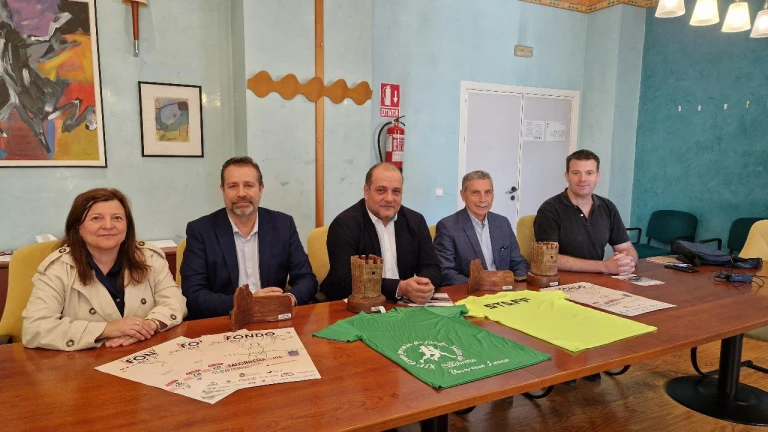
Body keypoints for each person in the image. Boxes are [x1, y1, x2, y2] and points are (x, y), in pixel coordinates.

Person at [22, 188, 186, 351]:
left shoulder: (149, 257)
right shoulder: (58, 268)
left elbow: (175, 301)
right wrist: (107, 329)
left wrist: (149, 325)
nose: (108, 225)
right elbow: (34, 329)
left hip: (144, 350)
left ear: (127, 226)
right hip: (84, 359)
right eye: (96, 218)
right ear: (78, 227)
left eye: (117, 218)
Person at [181, 157, 317, 320]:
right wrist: (248, 303)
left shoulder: (283, 224)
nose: (241, 193)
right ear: (223, 190)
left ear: (261, 188)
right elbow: (193, 294)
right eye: (233, 186)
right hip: (224, 320)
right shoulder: (201, 230)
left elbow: (306, 278)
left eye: (248, 185)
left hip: (274, 318)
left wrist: (287, 299)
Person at [320, 162, 440, 304]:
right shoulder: (344, 224)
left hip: (405, 305)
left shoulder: (416, 221)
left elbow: (432, 267)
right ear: (366, 191)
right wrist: (399, 288)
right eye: (381, 190)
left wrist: (422, 286)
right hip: (357, 307)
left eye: (396, 191)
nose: (389, 198)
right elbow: (343, 281)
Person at [534, 149, 638, 276]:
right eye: (576, 173)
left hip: (598, 279)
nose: (583, 179)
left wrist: (627, 262)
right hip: (562, 280)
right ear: (567, 176)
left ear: (597, 176)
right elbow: (548, 258)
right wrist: (604, 266)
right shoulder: (549, 209)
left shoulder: (607, 207)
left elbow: (626, 248)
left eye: (589, 173)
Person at [434, 170, 529, 286]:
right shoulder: (448, 227)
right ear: (463, 195)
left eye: (488, 192)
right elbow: (445, 272)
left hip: (505, 291)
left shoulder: (502, 223)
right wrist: (485, 284)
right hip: (471, 291)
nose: (483, 199)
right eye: (475, 193)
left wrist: (516, 284)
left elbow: (519, 263)